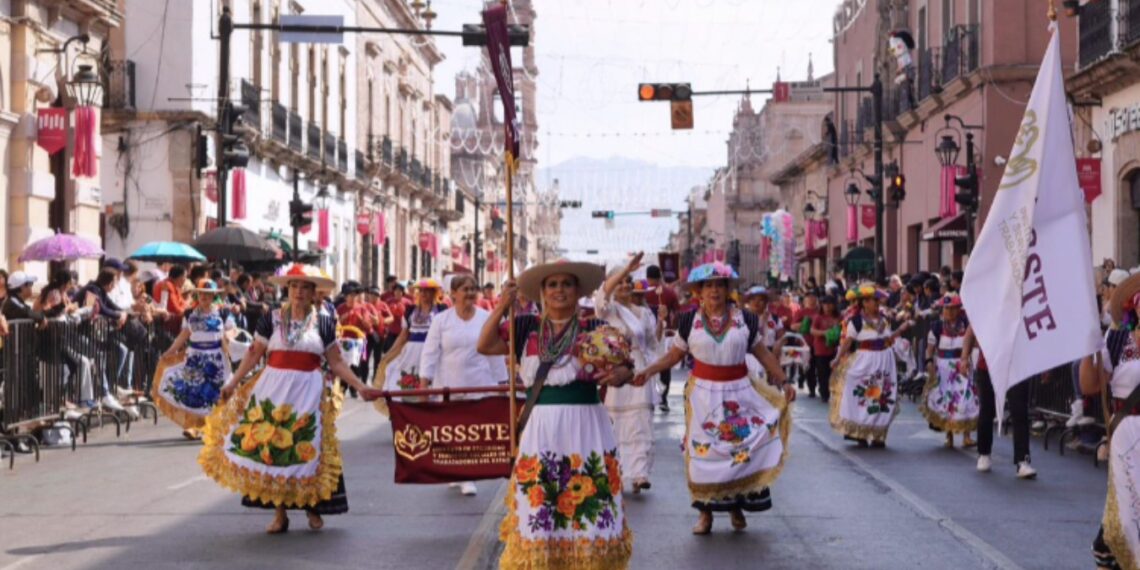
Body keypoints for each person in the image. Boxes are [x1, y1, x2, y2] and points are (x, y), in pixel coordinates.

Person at [200, 264, 382, 534]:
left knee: (306, 448)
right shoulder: (270, 319)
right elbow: (252, 353)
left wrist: (360, 385)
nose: (298, 292)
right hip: (273, 391)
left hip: (308, 393)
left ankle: (311, 506)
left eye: (305, 287)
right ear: (288, 290)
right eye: (294, 286)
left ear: (313, 293)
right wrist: (232, 383)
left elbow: (337, 362)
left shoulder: (324, 322)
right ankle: (280, 513)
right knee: (272, 450)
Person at [476, 259, 634, 568]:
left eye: (566, 284)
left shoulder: (596, 327)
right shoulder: (524, 326)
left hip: (586, 425)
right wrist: (501, 306)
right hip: (542, 427)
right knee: (542, 498)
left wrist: (620, 375)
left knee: (588, 497)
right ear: (542, 292)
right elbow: (484, 344)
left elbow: (626, 365)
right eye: (552, 284)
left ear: (577, 291)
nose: (559, 290)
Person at [635, 262, 791, 534]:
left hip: (739, 394)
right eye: (709, 285)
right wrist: (648, 371)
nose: (715, 290)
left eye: (720, 285)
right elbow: (674, 356)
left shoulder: (746, 320)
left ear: (728, 289)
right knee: (702, 453)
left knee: (737, 451)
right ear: (699, 291)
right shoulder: (688, 321)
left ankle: (735, 507)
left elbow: (763, 354)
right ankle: (704, 512)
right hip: (702, 398)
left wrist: (783, 380)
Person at [417, 274, 508, 497]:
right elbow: (429, 353)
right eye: (465, 289)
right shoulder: (441, 320)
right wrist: (424, 384)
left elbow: (495, 353)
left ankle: (468, 474)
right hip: (449, 384)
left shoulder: (487, 318)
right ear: (453, 294)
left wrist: (503, 383)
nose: (469, 293)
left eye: (472, 289)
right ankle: (458, 472)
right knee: (453, 431)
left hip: (480, 383)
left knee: (472, 432)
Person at [1081, 271, 1140, 569]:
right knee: (1127, 517)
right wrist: (1086, 350)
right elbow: (1091, 385)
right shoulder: (1116, 340)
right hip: (1127, 437)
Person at [596, 254, 662, 494]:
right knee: (619, 423)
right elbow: (601, 297)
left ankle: (640, 473)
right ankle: (618, 470)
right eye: (620, 281)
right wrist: (623, 269)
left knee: (641, 420)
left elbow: (653, 344)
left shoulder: (644, 313)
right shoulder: (609, 311)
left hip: (640, 369)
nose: (624, 285)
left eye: (628, 280)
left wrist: (653, 368)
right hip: (617, 369)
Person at [830, 283, 909, 448]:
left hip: (884, 361)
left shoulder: (884, 319)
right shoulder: (856, 321)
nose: (877, 303)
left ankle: (879, 433)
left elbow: (888, 339)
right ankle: (861, 431)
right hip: (864, 361)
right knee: (863, 395)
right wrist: (838, 358)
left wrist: (900, 331)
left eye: (877, 300)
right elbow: (848, 341)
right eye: (873, 300)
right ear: (864, 302)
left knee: (882, 396)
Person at [154, 280, 236, 439]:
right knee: (194, 391)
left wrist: (228, 335)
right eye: (201, 294)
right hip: (195, 358)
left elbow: (233, 329)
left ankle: (215, 426)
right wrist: (170, 351)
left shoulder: (223, 313)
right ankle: (193, 426)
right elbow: (183, 335)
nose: (204, 297)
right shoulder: (189, 314)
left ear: (214, 296)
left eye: (208, 294)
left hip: (216, 358)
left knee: (215, 393)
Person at [958, 326, 1034, 478]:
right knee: (987, 409)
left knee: (1019, 410)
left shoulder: (1022, 305)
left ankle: (1022, 460)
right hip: (989, 364)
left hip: (1017, 364)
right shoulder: (988, 303)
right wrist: (964, 358)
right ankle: (984, 453)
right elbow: (970, 331)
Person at [919, 293, 978, 448]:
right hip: (944, 369)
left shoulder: (966, 324)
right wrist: (929, 361)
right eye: (946, 308)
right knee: (947, 401)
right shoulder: (936, 327)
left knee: (965, 398)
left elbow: (974, 342)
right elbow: (930, 348)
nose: (949, 312)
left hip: (962, 366)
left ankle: (967, 435)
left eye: (952, 308)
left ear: (959, 309)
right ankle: (949, 435)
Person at [376, 279, 445, 409]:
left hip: (433, 352)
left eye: (428, 291)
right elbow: (403, 335)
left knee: (432, 383)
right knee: (402, 377)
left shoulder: (441, 310)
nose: (424, 294)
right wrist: (389, 353)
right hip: (411, 353)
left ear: (434, 293)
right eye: (422, 291)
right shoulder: (410, 311)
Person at [644, 265, 678, 412]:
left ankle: (648, 399)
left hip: (646, 333)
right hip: (665, 333)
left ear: (647, 277)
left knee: (648, 365)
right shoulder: (670, 293)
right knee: (665, 366)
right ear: (660, 276)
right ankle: (663, 399)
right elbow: (676, 313)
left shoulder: (642, 293)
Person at [809, 295, 842, 402]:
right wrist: (825, 333)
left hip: (835, 349)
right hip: (820, 349)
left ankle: (834, 391)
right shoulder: (818, 317)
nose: (827, 307)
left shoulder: (839, 317)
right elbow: (812, 331)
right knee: (823, 372)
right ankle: (824, 394)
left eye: (829, 304)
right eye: (824, 304)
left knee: (835, 372)